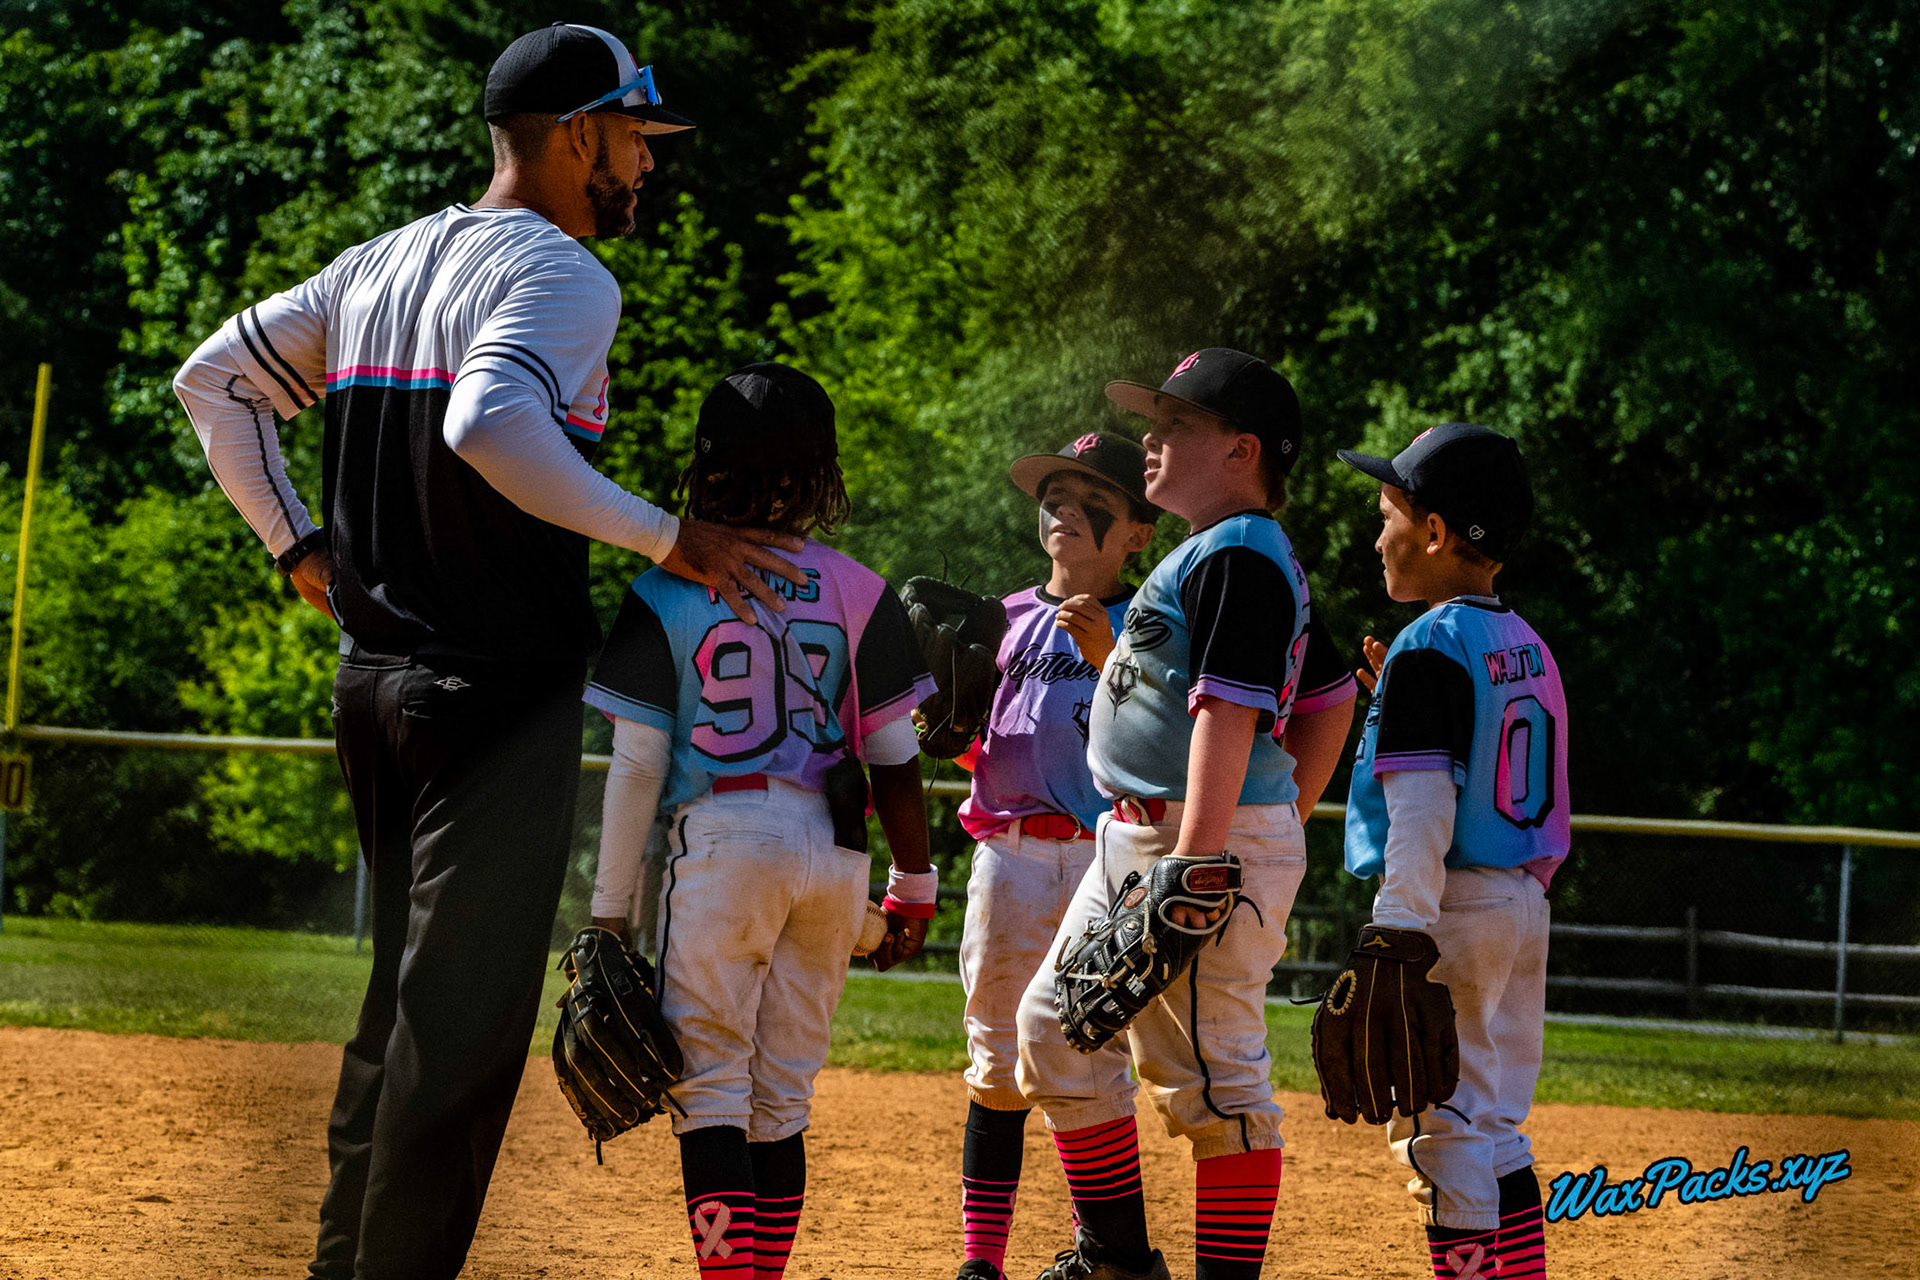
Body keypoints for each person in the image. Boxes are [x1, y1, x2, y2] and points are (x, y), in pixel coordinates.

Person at [172, 24, 806, 1280]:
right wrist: (666, 535)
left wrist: (298, 545)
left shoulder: (378, 261)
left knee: (401, 1006)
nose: (647, 161)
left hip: (376, 687)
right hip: (494, 696)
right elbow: (488, 419)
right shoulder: (564, 272)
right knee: (456, 1033)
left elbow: (213, 381)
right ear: (575, 134)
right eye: (633, 134)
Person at [949, 432, 1356, 1280]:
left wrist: (1243, 833)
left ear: (1237, 449)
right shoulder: (1202, 559)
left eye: (1177, 422)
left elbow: (1302, 698)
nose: (1156, 438)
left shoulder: (1237, 557)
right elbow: (1324, 687)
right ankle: (1115, 1259)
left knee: (1213, 1080)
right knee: (1051, 1032)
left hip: (1186, 842)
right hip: (1122, 840)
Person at [583, 362, 938, 1280]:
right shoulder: (862, 589)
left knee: (710, 1090)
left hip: (725, 841)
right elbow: (893, 756)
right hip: (834, 853)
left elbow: (638, 764)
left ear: (706, 467)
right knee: (780, 1099)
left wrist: (610, 915)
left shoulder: (664, 587)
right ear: (821, 474)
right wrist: (914, 887)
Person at [1336, 424, 1567, 1280]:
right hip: (1521, 900)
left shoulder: (1430, 646)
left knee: (1441, 1129)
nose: (1378, 538)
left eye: (1387, 515)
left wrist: (1397, 931)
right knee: (1494, 1123)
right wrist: (1395, 696)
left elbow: (1425, 809)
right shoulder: (1523, 640)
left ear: (1434, 532)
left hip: (1449, 904)